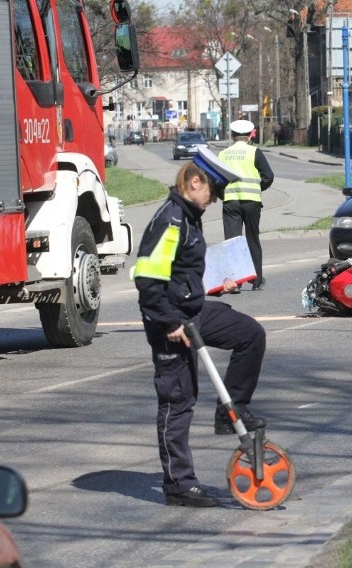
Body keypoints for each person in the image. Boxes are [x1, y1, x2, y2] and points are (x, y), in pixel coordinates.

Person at [133, 161, 267, 507]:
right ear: (195, 182)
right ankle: (179, 485)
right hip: (169, 321)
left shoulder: (190, 217)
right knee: (178, 400)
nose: (215, 201)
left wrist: (212, 288)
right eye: (214, 192)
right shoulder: (170, 220)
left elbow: (181, 273)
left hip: (193, 310)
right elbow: (147, 281)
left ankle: (231, 410)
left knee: (250, 335)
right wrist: (170, 323)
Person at [219, 119, 274, 291]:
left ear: (232, 135)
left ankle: (235, 283)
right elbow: (268, 176)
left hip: (230, 202)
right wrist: (258, 188)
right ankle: (256, 280)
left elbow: (217, 180)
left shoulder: (223, 154)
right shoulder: (254, 152)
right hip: (251, 202)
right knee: (252, 239)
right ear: (250, 135)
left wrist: (224, 195)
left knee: (232, 242)